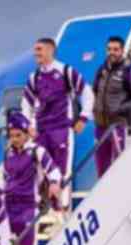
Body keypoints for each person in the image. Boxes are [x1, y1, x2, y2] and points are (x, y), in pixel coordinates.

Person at [20, 36, 94, 206]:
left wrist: (83, 117)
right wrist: (28, 126)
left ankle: (61, 207)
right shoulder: (34, 77)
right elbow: (26, 103)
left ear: (50, 50)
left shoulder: (65, 71)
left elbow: (87, 93)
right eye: (35, 50)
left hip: (61, 128)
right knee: (40, 168)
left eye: (39, 49)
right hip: (42, 129)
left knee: (61, 169)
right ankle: (41, 207)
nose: (35, 53)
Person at [0, 110, 61, 245]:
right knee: (0, 242)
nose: (15, 139)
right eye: (12, 136)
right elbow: (5, 179)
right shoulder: (8, 154)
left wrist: (53, 183)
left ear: (26, 134)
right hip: (10, 205)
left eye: (18, 135)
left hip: (28, 206)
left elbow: (54, 170)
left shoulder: (36, 151)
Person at [93, 36, 131, 176]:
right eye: (109, 49)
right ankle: (105, 197)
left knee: (119, 168)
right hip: (100, 127)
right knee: (101, 170)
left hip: (117, 127)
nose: (112, 52)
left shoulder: (129, 73)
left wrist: (120, 110)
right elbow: (96, 91)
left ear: (122, 51)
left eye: (115, 49)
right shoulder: (101, 71)